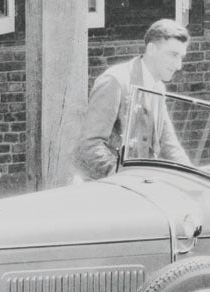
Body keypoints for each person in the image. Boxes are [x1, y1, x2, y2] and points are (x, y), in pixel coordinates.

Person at [73, 18, 191, 180]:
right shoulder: (115, 81)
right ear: (151, 49)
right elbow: (89, 146)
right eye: (173, 55)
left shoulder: (158, 87)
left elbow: (169, 145)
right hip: (107, 184)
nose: (178, 65)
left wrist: (194, 179)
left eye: (181, 57)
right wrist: (125, 176)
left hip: (138, 183)